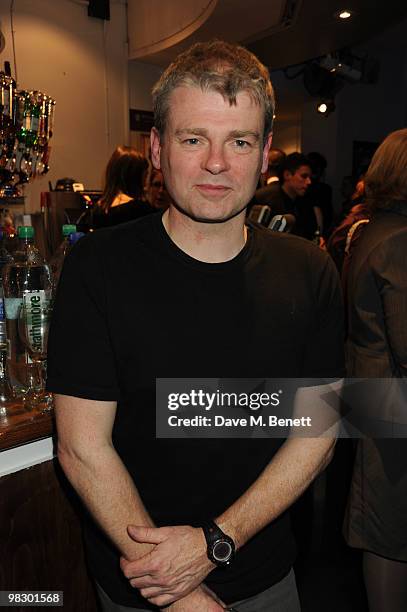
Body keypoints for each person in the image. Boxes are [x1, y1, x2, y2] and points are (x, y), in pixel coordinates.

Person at [47, 40, 344, 611]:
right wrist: (180, 594)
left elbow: (318, 433)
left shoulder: (310, 269)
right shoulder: (98, 266)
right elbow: (82, 448)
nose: (216, 163)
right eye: (192, 139)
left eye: (239, 141)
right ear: (156, 148)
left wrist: (214, 544)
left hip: (264, 575)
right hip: (143, 582)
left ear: (263, 158)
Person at [343, 128, 407, 612]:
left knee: (383, 529)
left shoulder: (370, 228)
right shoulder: (399, 238)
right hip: (394, 405)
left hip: (373, 395)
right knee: (389, 535)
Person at [93, 146, 155, 228]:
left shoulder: (98, 208)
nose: (146, 181)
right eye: (145, 175)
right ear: (135, 177)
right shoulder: (140, 209)